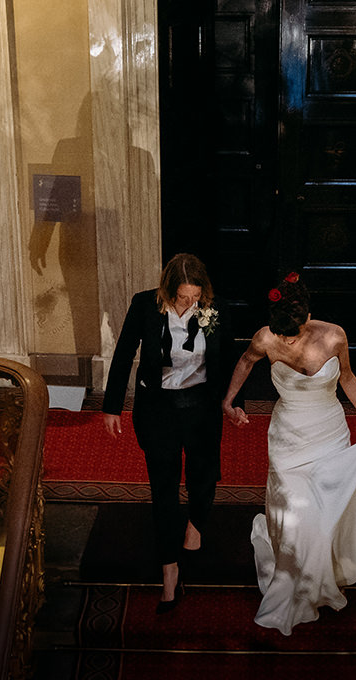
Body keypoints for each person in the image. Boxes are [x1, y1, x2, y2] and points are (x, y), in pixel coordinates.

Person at [222, 272, 356, 635]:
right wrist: (228, 400)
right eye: (282, 335)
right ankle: (294, 579)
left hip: (328, 435)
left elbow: (346, 378)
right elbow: (246, 362)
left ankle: (323, 575)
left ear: (307, 317)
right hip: (287, 440)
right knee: (298, 516)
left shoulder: (333, 336)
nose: (287, 340)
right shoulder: (265, 337)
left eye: (293, 333)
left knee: (325, 512)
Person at [100, 253, 233, 612]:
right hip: (158, 409)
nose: (190, 304)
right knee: (164, 488)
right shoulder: (144, 304)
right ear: (167, 290)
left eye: (195, 298)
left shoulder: (215, 308)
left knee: (203, 477)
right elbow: (125, 352)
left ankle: (196, 522)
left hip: (201, 408)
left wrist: (232, 401)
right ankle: (169, 571)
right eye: (182, 298)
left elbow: (227, 359)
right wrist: (113, 406)